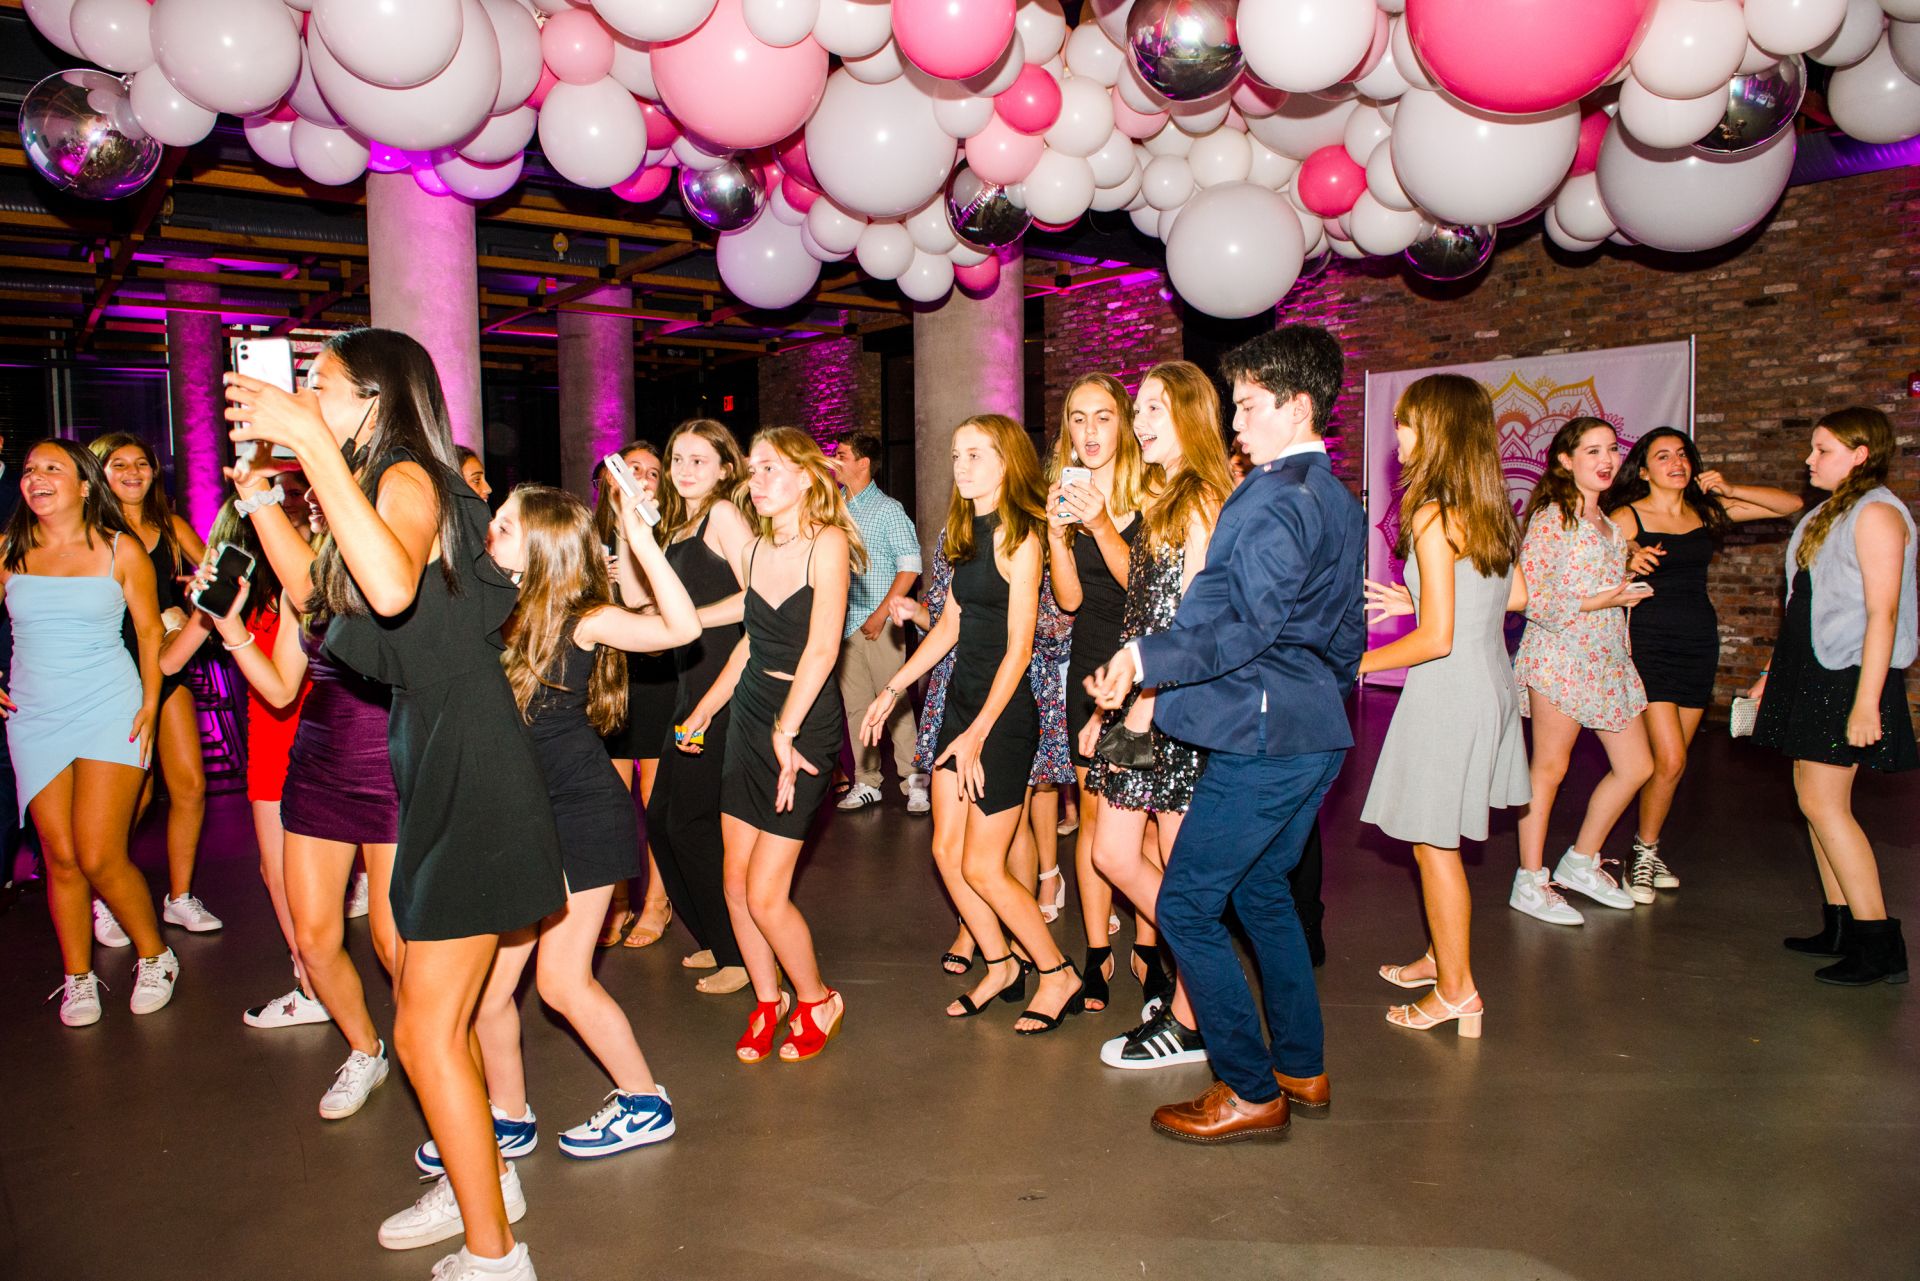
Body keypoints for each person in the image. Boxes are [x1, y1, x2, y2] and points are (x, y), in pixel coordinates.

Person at [226, 328, 563, 1281]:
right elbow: (324, 598)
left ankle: (497, 1257)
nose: (305, 396)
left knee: (421, 1029)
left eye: (320, 385)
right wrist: (261, 494)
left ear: (372, 400)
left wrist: (312, 444)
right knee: (427, 1011)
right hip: (438, 761)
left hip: (477, 771)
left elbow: (386, 580)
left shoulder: (412, 477)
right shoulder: (375, 488)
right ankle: (485, 1187)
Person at [1089, 324, 1365, 1144]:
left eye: (1247, 406)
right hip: (1312, 726)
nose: (1234, 422)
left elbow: (1244, 626)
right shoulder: (1332, 494)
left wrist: (1144, 655)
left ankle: (1247, 1083)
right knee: (1261, 892)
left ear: (1296, 406)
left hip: (1265, 734)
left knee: (1187, 903)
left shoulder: (1279, 498)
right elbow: (1342, 635)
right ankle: (1301, 1065)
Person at [468, 484, 698, 1159]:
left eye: (507, 523)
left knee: (561, 981)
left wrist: (640, 536)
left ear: (541, 547)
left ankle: (644, 1101)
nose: (491, 528)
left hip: (579, 814)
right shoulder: (492, 609)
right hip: (521, 818)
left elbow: (678, 629)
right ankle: (508, 1115)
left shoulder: (581, 618)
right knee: (488, 990)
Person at [864, 415, 1084, 1034]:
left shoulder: (1022, 538)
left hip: (1004, 716)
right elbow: (952, 628)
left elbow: (1019, 649)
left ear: (1008, 462)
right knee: (945, 852)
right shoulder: (964, 532)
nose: (962, 467)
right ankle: (1000, 964)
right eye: (957, 455)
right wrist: (893, 686)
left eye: (977, 455)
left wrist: (980, 731)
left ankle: (1055, 971)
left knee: (984, 866)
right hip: (960, 707)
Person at [197, 486, 403, 1116]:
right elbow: (284, 689)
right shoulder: (299, 585)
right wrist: (231, 629)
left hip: (392, 765)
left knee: (397, 949)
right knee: (313, 939)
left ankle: (440, 1050)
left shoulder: (396, 577)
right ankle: (366, 1048)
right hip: (316, 767)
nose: (313, 509)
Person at [1358, 374, 1530, 1038]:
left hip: (1450, 692)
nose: (1397, 435)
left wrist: (1357, 661)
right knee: (1440, 840)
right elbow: (1515, 597)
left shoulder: (1431, 510)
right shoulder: (1488, 504)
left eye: (1406, 423)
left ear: (1438, 431)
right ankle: (1440, 956)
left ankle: (1458, 991)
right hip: (1489, 681)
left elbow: (1436, 640)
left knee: (1434, 846)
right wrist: (1423, 599)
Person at [680, 427, 856, 1064]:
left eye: (770, 469)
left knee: (765, 892)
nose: (755, 481)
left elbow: (821, 649)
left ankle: (816, 999)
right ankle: (767, 997)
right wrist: (704, 710)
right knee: (734, 882)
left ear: (808, 476)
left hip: (804, 722)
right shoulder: (753, 552)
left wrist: (785, 728)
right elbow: (752, 642)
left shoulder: (828, 544)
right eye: (751, 470)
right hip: (754, 714)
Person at [1083, 361, 1232, 1071]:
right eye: (1136, 410)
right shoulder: (1165, 493)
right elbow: (1144, 610)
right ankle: (1194, 974)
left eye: (1152, 410)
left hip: (1178, 710)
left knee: (1182, 872)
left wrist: (1142, 703)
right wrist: (1113, 695)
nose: (1138, 423)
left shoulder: (1203, 497)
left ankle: (1195, 1017)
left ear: (1190, 416)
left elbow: (1193, 622)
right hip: (1141, 701)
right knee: (1111, 853)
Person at [1, 439, 175, 1027]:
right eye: (29, 470)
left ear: (82, 486)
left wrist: (152, 704)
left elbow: (150, 633)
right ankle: (78, 977)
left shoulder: (119, 549)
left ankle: (156, 955)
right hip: (33, 715)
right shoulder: (9, 550)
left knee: (101, 854)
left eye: (53, 468)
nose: (36, 477)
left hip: (110, 706)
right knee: (62, 858)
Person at [1602, 428, 1801, 899]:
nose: (1677, 462)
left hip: (1697, 641)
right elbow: (1592, 571)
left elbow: (1789, 504)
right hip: (1648, 641)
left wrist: (1729, 488)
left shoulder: (1706, 510)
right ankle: (1642, 855)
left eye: (1683, 454)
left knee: (1674, 763)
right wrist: (1629, 561)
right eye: (1663, 456)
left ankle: (1646, 848)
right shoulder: (1626, 517)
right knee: (1668, 758)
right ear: (1644, 470)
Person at [1753, 407, 1914, 986]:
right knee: (1811, 798)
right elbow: (1805, 601)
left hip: (1846, 675)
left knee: (1826, 804)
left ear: (1860, 454)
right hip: (1811, 668)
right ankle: (1842, 924)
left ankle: (1880, 944)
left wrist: (1867, 701)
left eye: (1822, 450)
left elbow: (1883, 613)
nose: (1809, 459)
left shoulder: (1874, 514)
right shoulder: (1829, 514)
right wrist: (1774, 670)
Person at [169, 482, 329, 1027]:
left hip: (302, 729)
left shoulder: (290, 587)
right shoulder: (267, 588)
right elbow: (171, 665)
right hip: (282, 734)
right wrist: (194, 615)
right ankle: (310, 979)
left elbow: (283, 680)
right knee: (282, 871)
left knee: (288, 871)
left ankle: (313, 982)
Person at [1511, 418, 1654, 926]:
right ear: (1564, 462)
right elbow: (1532, 599)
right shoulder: (1553, 518)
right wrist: (1606, 597)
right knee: (1549, 770)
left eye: (1612, 448)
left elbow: (1595, 588)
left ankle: (1579, 860)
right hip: (1560, 657)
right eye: (1591, 451)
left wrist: (1624, 594)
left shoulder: (1610, 525)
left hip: (1607, 658)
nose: (1606, 459)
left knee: (1638, 766)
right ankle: (1529, 879)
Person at [1044, 373, 1149, 1010]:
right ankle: (1095, 948)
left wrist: (1104, 524)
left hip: (1147, 662)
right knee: (1089, 817)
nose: (1088, 432)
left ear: (1124, 423)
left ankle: (1152, 944)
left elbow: (1146, 590)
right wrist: (1058, 536)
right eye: (1078, 419)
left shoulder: (1153, 489)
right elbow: (1069, 599)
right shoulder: (1065, 491)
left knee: (1147, 824)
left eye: (1102, 417)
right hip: (1090, 659)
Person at [90, 432, 221, 937]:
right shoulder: (91, 531)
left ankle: (180, 896)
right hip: (113, 670)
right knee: (135, 795)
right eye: (118, 463)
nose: (132, 472)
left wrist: (193, 597)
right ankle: (107, 895)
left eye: (141, 463)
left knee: (189, 783)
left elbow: (215, 568)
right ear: (98, 474)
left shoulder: (169, 525)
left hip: (166, 664)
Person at [645, 420, 756, 996]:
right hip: (687, 683)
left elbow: (758, 599)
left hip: (723, 682)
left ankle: (738, 954)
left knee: (689, 824)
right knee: (661, 822)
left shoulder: (724, 517)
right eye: (678, 459)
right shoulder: (676, 523)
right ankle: (714, 937)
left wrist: (687, 621)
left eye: (699, 461)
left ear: (725, 469)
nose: (685, 470)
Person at [592, 441, 679, 951]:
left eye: (653, 472)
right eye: (635, 469)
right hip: (605, 679)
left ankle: (657, 903)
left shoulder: (666, 531)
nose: (644, 478)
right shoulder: (587, 533)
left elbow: (680, 611)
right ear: (611, 477)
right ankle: (618, 900)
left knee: (653, 801)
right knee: (608, 801)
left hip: (656, 677)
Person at [830, 430, 926, 813]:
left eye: (841, 455)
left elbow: (910, 566)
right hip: (844, 623)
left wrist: (881, 614)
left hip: (880, 623)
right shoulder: (833, 507)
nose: (834, 460)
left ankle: (915, 781)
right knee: (856, 709)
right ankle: (867, 781)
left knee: (896, 704)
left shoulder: (887, 509)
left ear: (863, 463)